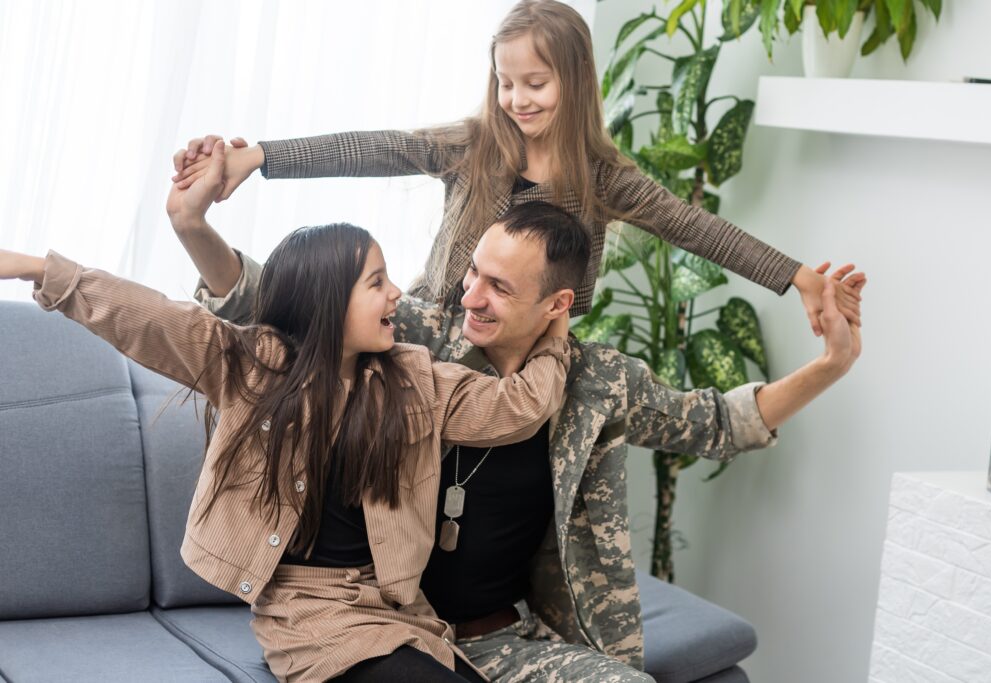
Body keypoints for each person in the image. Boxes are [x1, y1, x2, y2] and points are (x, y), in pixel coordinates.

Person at [184, 197, 863, 682]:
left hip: (504, 641)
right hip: (387, 628)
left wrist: (831, 364)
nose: (471, 294)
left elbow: (716, 421)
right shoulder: (415, 336)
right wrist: (193, 225)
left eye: (498, 286)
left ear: (556, 306)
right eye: (473, 270)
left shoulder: (598, 382)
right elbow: (275, 300)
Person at [0, 141, 574, 683]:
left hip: (396, 612)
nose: (397, 293)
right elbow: (146, 318)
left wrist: (554, 332)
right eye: (377, 282)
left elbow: (517, 409)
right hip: (306, 616)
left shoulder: (414, 377)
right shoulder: (253, 366)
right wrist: (35, 268)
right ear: (329, 298)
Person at [169, 0, 863, 335]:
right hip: (432, 322)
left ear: (575, 80)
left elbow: (694, 228)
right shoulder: (474, 144)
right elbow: (375, 147)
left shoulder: (604, 179)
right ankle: (206, 252)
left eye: (536, 83)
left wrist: (798, 276)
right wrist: (259, 156)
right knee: (294, 315)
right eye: (507, 82)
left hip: (522, 349)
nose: (517, 99)